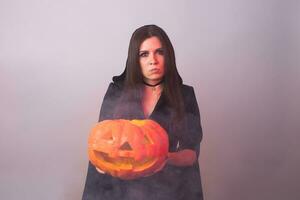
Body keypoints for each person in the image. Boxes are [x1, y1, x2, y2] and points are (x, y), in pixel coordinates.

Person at [82, 24, 204, 200]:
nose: (153, 60)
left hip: (168, 190)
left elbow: (191, 153)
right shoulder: (116, 91)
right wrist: (102, 163)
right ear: (135, 59)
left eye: (159, 52)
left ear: (168, 56)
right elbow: (100, 142)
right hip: (118, 192)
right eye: (144, 54)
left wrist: (164, 157)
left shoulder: (185, 94)